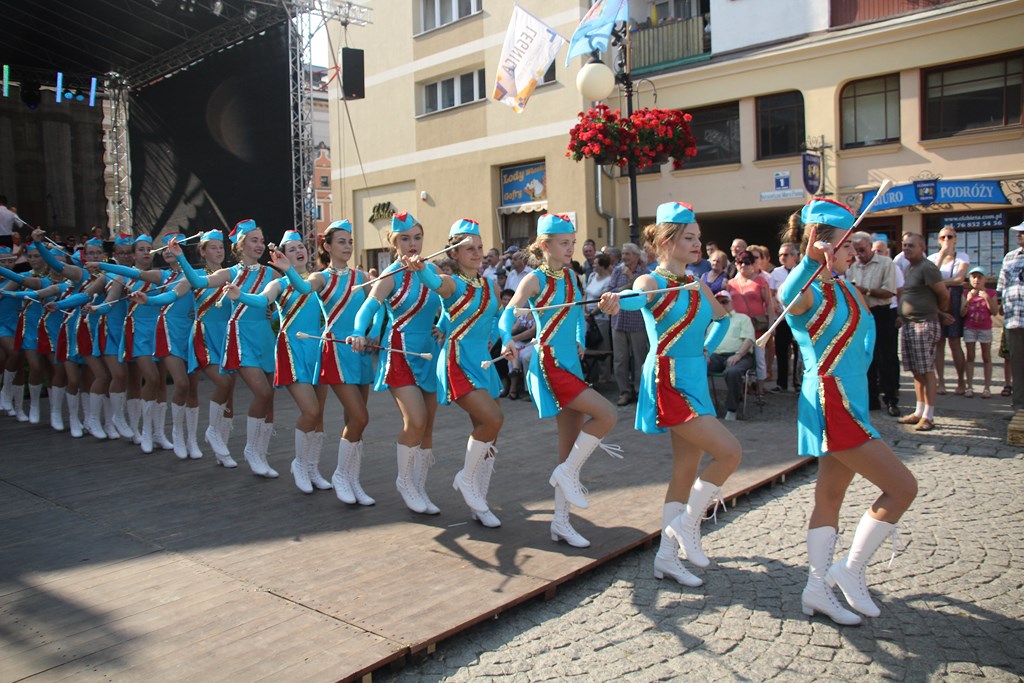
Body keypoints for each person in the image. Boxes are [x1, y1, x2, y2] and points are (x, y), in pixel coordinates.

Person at [779, 198, 917, 626]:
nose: (852, 251)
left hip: (851, 399)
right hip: (831, 401)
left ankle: (817, 588)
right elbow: (788, 296)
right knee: (903, 487)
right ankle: (850, 569)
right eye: (843, 245)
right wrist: (808, 260)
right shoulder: (806, 291)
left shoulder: (841, 285)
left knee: (830, 495)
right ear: (823, 246)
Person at [599, 202, 740, 588]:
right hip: (671, 380)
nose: (698, 244)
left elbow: (723, 319)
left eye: (698, 237)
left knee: (685, 471)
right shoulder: (653, 282)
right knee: (730, 453)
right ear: (666, 240)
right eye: (689, 238)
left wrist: (707, 347)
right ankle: (686, 526)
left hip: (694, 376)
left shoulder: (694, 283)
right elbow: (633, 297)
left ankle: (666, 558)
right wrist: (616, 303)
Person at [500, 213, 619, 549]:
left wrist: (580, 338)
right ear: (544, 244)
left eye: (572, 242)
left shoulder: (570, 277)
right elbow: (508, 314)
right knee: (607, 414)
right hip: (549, 362)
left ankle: (561, 523)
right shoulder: (534, 280)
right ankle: (565, 479)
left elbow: (577, 314)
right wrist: (508, 339)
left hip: (570, 361)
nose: (571, 249)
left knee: (569, 451)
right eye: (564, 243)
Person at [404, 218, 504, 527]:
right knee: (493, 419)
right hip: (458, 361)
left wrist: (501, 341)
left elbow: (493, 316)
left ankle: (480, 502)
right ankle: (465, 477)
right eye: (468, 249)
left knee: (489, 434)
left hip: (483, 361)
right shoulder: (451, 282)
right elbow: (438, 286)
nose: (476, 253)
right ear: (454, 253)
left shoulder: (490, 283)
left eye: (479, 247)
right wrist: (422, 270)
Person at [348, 211, 443, 515]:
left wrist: (445, 324)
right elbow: (367, 309)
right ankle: (404, 482)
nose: (412, 243)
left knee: (427, 426)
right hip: (399, 352)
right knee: (415, 420)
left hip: (430, 351)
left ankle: (420, 486)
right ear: (393, 242)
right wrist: (357, 332)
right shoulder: (389, 275)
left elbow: (449, 305)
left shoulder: (433, 269)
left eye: (417, 237)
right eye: (405, 238)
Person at [223, 230, 328, 493]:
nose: (298, 251)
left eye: (301, 246)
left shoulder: (318, 280)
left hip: (317, 350)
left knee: (320, 416)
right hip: (292, 350)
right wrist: (240, 296)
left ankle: (313, 468)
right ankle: (300, 465)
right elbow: (261, 300)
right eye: (291, 250)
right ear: (281, 256)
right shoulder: (279, 284)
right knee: (310, 412)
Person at [173, 219, 279, 477]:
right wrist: (181, 258)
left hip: (264, 338)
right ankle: (251, 451)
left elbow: (284, 303)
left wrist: (273, 315)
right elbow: (198, 284)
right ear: (240, 245)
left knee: (270, 400)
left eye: (261, 240)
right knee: (261, 393)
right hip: (241, 338)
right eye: (254, 240)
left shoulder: (272, 272)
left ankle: (261, 455)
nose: (260, 245)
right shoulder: (230, 273)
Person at [314, 220, 376, 505]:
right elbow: (300, 285)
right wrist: (288, 269)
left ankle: (353, 478)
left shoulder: (362, 277)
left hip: (360, 351)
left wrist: (372, 333)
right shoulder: (321, 279)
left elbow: (376, 310)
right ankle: (341, 474)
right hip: (336, 351)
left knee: (354, 420)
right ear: (326, 247)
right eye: (341, 241)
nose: (348, 246)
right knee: (360, 416)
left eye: (350, 241)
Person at [896, 232, 951, 431]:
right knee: (916, 371)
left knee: (926, 370)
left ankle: (929, 416)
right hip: (910, 324)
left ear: (922, 248)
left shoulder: (927, 267)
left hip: (923, 324)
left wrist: (939, 313)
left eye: (911, 245)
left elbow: (943, 294)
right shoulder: (911, 267)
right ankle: (918, 412)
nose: (906, 248)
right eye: (904, 245)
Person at [847, 231, 900, 416]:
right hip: (862, 315)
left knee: (887, 358)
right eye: (856, 251)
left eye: (862, 249)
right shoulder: (854, 266)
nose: (859, 254)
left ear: (870, 246)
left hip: (882, 313)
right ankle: (871, 399)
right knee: (866, 357)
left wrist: (865, 291)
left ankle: (892, 399)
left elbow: (889, 292)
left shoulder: (886, 263)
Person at [928, 227, 969, 395]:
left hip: (954, 299)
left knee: (954, 341)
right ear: (938, 240)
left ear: (955, 239)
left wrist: (941, 283)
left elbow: (960, 279)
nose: (946, 240)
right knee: (939, 343)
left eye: (950, 236)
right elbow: (930, 276)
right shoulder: (933, 258)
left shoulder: (962, 257)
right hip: (937, 301)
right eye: (943, 237)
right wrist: (943, 255)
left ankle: (961, 382)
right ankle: (941, 383)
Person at [608, 243, 650, 406]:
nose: (624, 257)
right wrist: (627, 285)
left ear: (636, 256)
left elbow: (643, 294)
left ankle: (641, 391)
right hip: (618, 321)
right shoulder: (617, 270)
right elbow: (611, 291)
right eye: (623, 254)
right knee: (620, 359)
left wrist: (632, 279)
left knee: (639, 358)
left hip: (637, 321)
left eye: (627, 254)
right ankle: (624, 392)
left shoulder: (645, 273)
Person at [727, 250, 773, 396]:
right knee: (739, 355)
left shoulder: (760, 281)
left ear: (753, 264)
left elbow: (769, 305)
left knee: (759, 358)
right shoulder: (731, 283)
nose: (743, 265)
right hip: (739, 327)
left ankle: (760, 389)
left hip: (757, 326)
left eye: (747, 262)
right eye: (740, 262)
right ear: (736, 264)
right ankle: (743, 387)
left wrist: (771, 327)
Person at [707, 290, 755, 421]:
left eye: (725, 302)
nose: (722, 305)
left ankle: (732, 409)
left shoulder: (742, 318)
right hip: (716, 356)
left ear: (731, 303)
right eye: (719, 302)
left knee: (733, 372)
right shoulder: (713, 323)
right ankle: (702, 406)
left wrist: (738, 355)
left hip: (739, 355)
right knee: (698, 368)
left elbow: (749, 339)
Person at [997, 221, 1024, 412]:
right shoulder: (1010, 257)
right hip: (1014, 320)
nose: (1019, 235)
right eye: (1019, 233)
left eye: (1023, 233)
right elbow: (1001, 287)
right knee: (1017, 366)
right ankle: (1019, 409)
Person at [960, 266, 997, 399]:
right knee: (970, 356)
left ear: (985, 279)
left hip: (985, 327)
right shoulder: (966, 294)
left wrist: (986, 297)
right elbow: (962, 313)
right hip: (970, 327)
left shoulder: (991, 293)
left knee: (986, 356)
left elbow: (994, 312)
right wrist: (969, 300)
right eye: (973, 277)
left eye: (979, 277)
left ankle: (987, 387)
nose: (976, 280)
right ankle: (969, 386)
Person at [771, 243, 800, 392]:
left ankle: (797, 382)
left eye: (786, 254)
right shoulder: (775, 272)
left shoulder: (801, 271)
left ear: (794, 256)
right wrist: (775, 303)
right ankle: (781, 383)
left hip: (798, 316)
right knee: (781, 350)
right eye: (780, 254)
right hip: (782, 317)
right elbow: (771, 292)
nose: (782, 257)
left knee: (798, 351)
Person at [583, 253, 613, 386]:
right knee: (589, 344)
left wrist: (592, 314)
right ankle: (592, 375)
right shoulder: (592, 276)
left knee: (602, 345)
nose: (593, 265)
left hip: (600, 317)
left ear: (602, 265)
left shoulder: (608, 280)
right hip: (586, 315)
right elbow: (586, 293)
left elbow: (603, 299)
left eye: (596, 263)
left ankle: (604, 375)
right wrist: (584, 311)